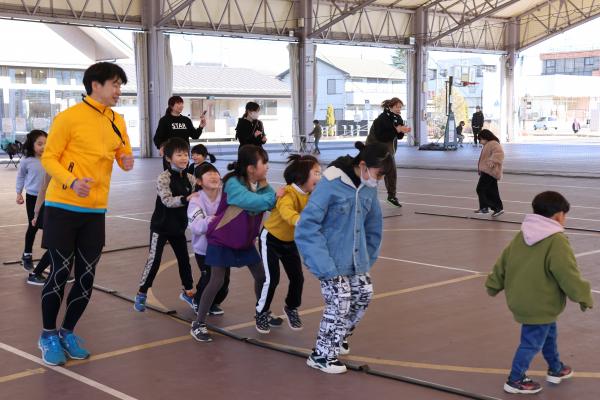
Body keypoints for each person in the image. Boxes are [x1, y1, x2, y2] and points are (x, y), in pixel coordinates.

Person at [39, 62, 134, 366]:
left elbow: (122, 152)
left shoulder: (117, 120)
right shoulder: (68, 118)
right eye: (115, 84)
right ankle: (47, 334)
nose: (119, 91)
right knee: (60, 272)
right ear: (96, 85)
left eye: (120, 85)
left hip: (96, 210)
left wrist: (126, 160)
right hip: (63, 207)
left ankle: (68, 331)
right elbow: (49, 158)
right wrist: (72, 181)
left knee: (87, 276)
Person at [295, 141, 393, 374]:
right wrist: (324, 266)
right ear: (363, 165)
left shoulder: (368, 186)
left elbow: (373, 225)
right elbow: (307, 227)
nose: (378, 180)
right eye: (378, 174)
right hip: (329, 260)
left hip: (356, 261)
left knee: (363, 294)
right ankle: (321, 355)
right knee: (340, 300)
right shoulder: (331, 183)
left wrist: (366, 260)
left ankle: (338, 337)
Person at [485, 191, 593, 394]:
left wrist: (493, 283)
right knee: (531, 342)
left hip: (524, 298)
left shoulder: (523, 235)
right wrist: (583, 295)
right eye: (565, 215)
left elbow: (504, 262)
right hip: (540, 301)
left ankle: (556, 368)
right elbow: (567, 273)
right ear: (559, 215)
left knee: (549, 333)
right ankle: (515, 379)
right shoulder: (556, 240)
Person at [190, 145, 282, 342]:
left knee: (261, 276)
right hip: (222, 239)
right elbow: (252, 201)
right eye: (263, 163)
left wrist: (268, 198)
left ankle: (262, 310)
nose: (267, 167)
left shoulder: (261, 183)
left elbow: (272, 202)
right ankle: (198, 323)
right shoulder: (232, 182)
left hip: (244, 241)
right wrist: (269, 199)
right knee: (216, 281)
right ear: (250, 168)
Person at [258, 154, 322, 331]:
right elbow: (286, 212)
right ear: (302, 175)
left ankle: (291, 307)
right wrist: (301, 221)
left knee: (297, 278)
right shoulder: (288, 192)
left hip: (289, 242)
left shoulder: (311, 195)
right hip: (270, 239)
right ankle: (261, 312)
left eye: (320, 173)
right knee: (272, 279)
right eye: (316, 172)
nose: (319, 176)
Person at [134, 138, 197, 312]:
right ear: (169, 158)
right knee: (154, 260)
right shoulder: (163, 177)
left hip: (178, 227)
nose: (184, 158)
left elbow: (199, 198)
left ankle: (188, 292)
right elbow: (167, 200)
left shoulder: (191, 178)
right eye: (179, 154)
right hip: (160, 227)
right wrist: (186, 199)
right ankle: (141, 292)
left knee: (184, 260)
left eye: (186, 154)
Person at [187, 163, 230, 316]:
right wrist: (218, 220)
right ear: (199, 181)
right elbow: (197, 226)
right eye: (208, 173)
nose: (213, 175)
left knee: (224, 282)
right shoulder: (196, 200)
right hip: (204, 249)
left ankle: (213, 303)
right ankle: (199, 301)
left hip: (224, 247)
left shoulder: (226, 196)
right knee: (209, 278)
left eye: (215, 172)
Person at [26, 173, 74, 286]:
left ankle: (61, 273)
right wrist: (36, 214)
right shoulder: (54, 167)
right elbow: (43, 189)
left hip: (69, 209)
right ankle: (35, 273)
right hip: (55, 209)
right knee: (57, 245)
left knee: (67, 243)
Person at [365, 98, 410, 208]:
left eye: (401, 107)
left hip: (387, 151)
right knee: (374, 173)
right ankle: (365, 196)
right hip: (375, 149)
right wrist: (396, 130)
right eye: (397, 107)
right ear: (390, 107)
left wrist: (402, 130)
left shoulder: (398, 118)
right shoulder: (382, 119)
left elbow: (398, 136)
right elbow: (382, 137)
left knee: (391, 172)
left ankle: (391, 197)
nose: (399, 109)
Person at [15, 130, 47, 271]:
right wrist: (18, 193)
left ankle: (54, 257)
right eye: (40, 144)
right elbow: (20, 177)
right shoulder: (26, 161)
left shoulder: (51, 159)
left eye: (46, 143)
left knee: (50, 227)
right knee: (33, 226)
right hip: (32, 197)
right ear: (31, 144)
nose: (43, 147)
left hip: (49, 198)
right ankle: (27, 254)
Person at [153, 96, 207, 170]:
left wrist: (201, 127)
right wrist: (161, 146)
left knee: (184, 177)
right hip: (171, 155)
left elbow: (195, 135)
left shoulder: (186, 120)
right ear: (171, 106)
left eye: (182, 103)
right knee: (171, 178)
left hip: (184, 155)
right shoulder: (164, 120)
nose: (181, 106)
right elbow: (157, 138)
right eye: (178, 103)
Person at [475, 129, 505, 218]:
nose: (480, 142)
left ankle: (485, 207)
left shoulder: (493, 143)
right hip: (488, 171)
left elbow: (500, 153)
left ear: (485, 137)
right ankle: (497, 208)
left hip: (490, 171)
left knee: (480, 189)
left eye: (480, 139)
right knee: (492, 191)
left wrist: (493, 160)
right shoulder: (489, 144)